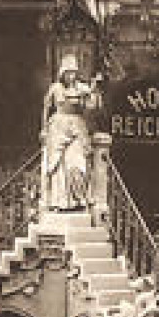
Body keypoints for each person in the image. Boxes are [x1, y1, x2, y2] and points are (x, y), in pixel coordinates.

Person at [42, 54, 95, 211]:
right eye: (68, 72)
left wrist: (90, 94)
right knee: (58, 166)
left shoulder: (81, 88)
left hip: (77, 127)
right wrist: (44, 128)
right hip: (58, 128)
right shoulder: (55, 88)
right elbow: (46, 108)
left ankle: (79, 200)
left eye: (74, 72)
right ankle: (60, 202)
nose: (71, 76)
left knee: (77, 164)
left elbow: (91, 107)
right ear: (62, 73)